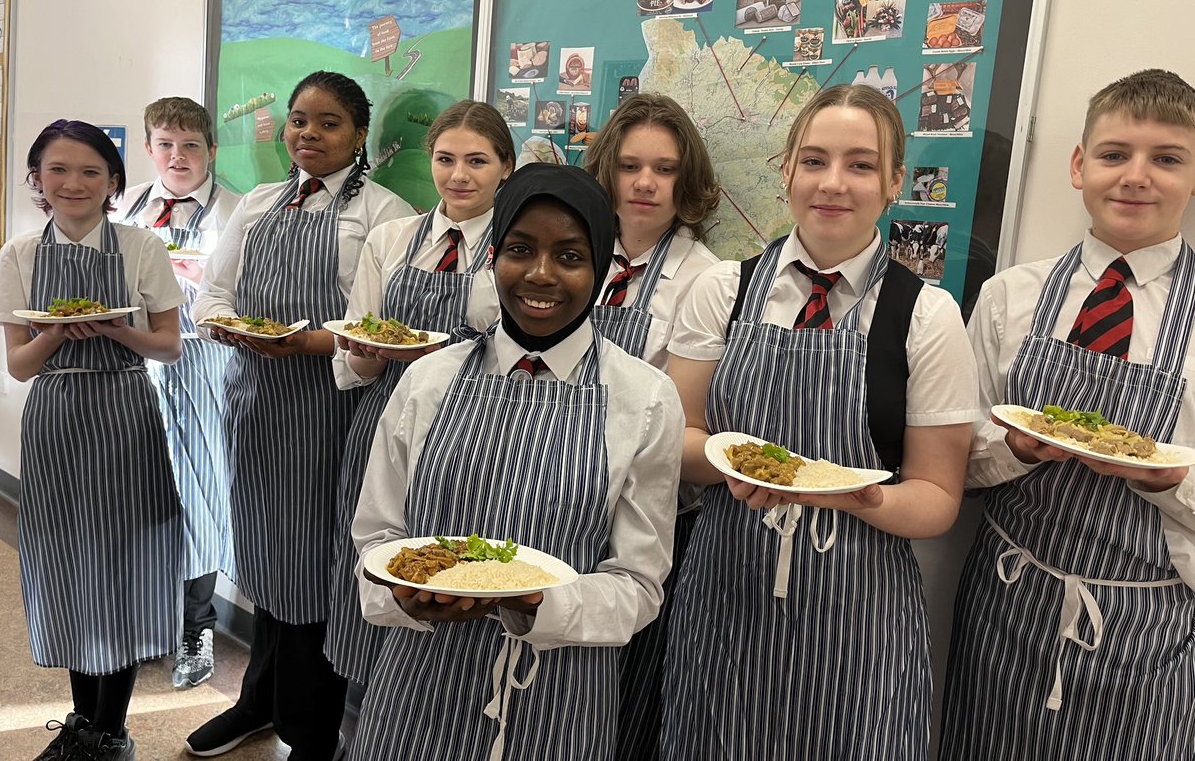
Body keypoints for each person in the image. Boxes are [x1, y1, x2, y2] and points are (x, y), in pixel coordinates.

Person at [658, 84, 979, 760]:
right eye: (814, 160)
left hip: (859, 614)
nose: (834, 183)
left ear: (894, 183)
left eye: (861, 165)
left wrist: (854, 495)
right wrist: (728, 458)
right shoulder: (724, 291)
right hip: (726, 593)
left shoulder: (927, 317)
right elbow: (678, 440)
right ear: (787, 171)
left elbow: (938, 498)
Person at [349, 163, 683, 761]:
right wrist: (400, 596)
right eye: (520, 249)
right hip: (419, 687)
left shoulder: (646, 398)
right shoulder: (427, 380)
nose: (540, 274)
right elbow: (377, 538)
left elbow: (639, 585)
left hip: (560, 695)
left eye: (571, 256)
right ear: (493, 256)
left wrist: (537, 604)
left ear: (602, 269)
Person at [941, 69, 1195, 760]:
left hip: (1150, 630)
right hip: (1004, 605)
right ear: (1080, 166)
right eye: (1115, 154)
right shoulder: (1007, 297)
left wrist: (1169, 481)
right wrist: (1016, 450)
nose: (1136, 176)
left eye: (1167, 159)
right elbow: (952, 461)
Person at [187, 71, 411, 760]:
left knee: (315, 572)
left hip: (330, 413)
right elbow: (211, 298)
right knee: (263, 560)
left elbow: (380, 327)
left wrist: (305, 342)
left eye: (329, 123)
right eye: (298, 120)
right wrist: (232, 328)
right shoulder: (256, 204)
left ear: (360, 135)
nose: (308, 134)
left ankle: (309, 734)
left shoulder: (385, 214)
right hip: (256, 409)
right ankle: (259, 702)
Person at [0, 119, 186, 761]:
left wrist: (115, 328)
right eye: (58, 170)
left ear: (113, 182)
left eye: (90, 172)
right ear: (37, 180)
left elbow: (168, 346)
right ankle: (80, 721)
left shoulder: (139, 248)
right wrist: (55, 333)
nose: (73, 183)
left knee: (121, 565)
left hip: (125, 408)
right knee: (66, 563)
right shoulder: (19, 254)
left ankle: (111, 730)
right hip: (54, 414)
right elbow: (20, 365)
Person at [324, 100, 512, 688]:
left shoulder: (514, 247)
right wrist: (366, 351)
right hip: (384, 420)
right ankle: (367, 714)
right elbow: (352, 353)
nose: (459, 175)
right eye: (445, 158)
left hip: (477, 435)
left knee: (443, 576)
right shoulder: (391, 238)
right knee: (376, 561)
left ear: (506, 167)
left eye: (477, 161)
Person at [580, 93, 719, 760]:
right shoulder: (574, 252)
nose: (644, 183)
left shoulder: (706, 279)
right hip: (556, 491)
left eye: (663, 169)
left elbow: (679, 421)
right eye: (631, 164)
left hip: (644, 510)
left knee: (623, 694)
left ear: (684, 182)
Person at [111, 96, 238, 690]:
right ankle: (144, 622)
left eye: (190, 145)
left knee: (200, 497)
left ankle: (197, 629)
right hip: (136, 369)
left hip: (204, 367)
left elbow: (242, 297)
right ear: (148, 149)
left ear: (211, 150)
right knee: (139, 495)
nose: (177, 156)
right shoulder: (129, 207)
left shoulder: (237, 213)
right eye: (165, 144)